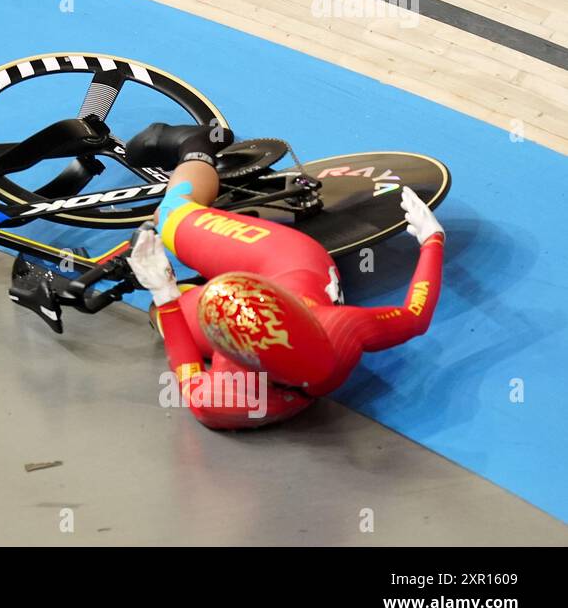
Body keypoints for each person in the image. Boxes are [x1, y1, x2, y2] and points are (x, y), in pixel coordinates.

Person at [124, 123, 445, 429]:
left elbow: (188, 373)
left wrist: (164, 294)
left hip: (282, 269)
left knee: (168, 232)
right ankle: (197, 152)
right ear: (286, 306)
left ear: (227, 350)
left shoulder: (226, 398)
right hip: (293, 264)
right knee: (169, 231)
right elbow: (414, 315)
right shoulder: (340, 328)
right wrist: (431, 239)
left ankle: (193, 151)